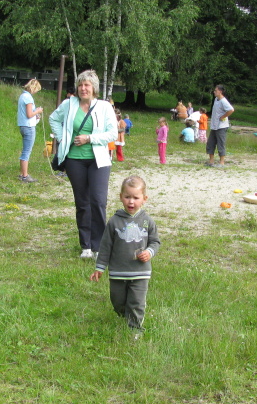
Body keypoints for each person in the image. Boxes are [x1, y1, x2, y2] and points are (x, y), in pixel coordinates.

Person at [49, 70, 118, 259]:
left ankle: (99, 246)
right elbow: (53, 119)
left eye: (86, 85)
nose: (83, 88)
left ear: (94, 87)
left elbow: (113, 133)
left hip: (99, 160)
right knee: (82, 203)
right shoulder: (69, 104)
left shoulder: (104, 107)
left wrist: (90, 138)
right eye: (80, 85)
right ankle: (86, 246)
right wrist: (63, 139)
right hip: (74, 160)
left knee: (98, 201)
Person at [89, 176, 160, 334]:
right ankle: (124, 314)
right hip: (118, 272)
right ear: (121, 197)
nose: (131, 202)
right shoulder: (114, 221)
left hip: (140, 272)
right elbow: (105, 246)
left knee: (136, 302)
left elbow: (155, 242)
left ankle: (135, 328)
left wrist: (149, 252)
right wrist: (100, 268)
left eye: (136, 198)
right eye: (127, 197)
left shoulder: (147, 221)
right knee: (118, 301)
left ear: (144, 199)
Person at [17, 79, 44, 183]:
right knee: (27, 151)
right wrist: (38, 111)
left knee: (25, 150)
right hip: (29, 127)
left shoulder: (22, 96)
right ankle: (25, 176)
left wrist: (35, 115)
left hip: (23, 125)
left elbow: (26, 113)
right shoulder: (28, 98)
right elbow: (29, 114)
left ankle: (22, 174)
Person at [206, 84, 234, 167]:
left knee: (220, 143)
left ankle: (222, 162)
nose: (214, 92)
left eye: (216, 90)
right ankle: (211, 161)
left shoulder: (223, 101)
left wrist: (223, 116)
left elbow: (231, 110)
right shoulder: (216, 99)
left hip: (221, 126)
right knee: (210, 143)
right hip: (214, 126)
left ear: (220, 91)